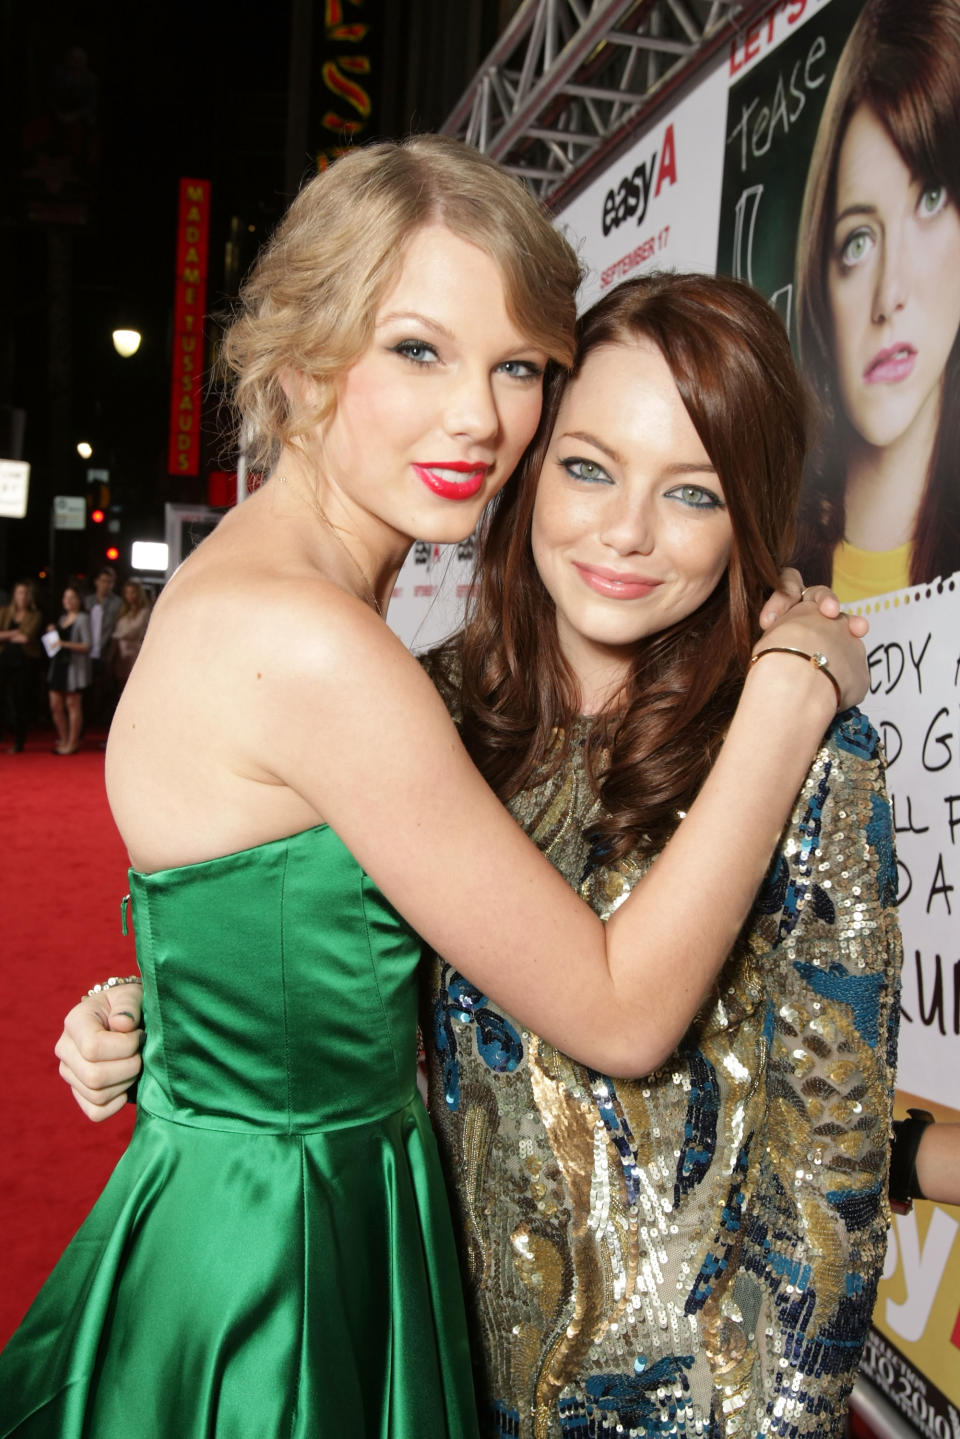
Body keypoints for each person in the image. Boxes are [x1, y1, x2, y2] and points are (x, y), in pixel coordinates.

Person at [3, 135, 868, 1439]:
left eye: (517, 364)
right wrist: (793, 694)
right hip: (285, 1257)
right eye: (419, 349)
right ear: (300, 357)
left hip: (287, 1196)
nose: (479, 414)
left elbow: (253, 906)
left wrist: (162, 1014)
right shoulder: (320, 645)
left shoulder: (298, 601)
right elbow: (620, 1009)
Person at [794, 0, 960, 601]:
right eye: (858, 240)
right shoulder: (769, 580)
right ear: (821, 280)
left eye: (932, 199)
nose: (889, 295)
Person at [45, 582, 92, 755]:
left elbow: (87, 645)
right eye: (66, 597)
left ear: (79, 600)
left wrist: (63, 643)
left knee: (72, 704)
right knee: (55, 705)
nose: (68, 601)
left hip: (74, 667)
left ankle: (73, 742)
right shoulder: (61, 619)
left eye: (72, 597)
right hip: (58, 666)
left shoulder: (83, 618)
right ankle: (63, 739)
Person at [0, 581, 43, 752]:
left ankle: (19, 740)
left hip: (25, 662)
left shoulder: (35, 614)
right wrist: (15, 633)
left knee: (20, 701)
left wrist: (7, 635)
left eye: (26, 593)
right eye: (19, 592)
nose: (22, 596)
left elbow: (26, 637)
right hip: (4, 660)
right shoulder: (4, 612)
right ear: (14, 595)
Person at [84, 565, 121, 725]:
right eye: (103, 581)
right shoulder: (87, 601)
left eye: (109, 582)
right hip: (85, 652)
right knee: (86, 690)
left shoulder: (117, 602)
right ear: (96, 582)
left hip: (106, 651)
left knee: (106, 690)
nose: (105, 584)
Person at [108, 578, 150, 690]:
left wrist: (116, 635)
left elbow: (134, 631)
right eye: (127, 592)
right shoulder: (123, 611)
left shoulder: (144, 611)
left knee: (132, 685)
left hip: (134, 653)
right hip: (121, 654)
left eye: (133, 592)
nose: (130, 596)